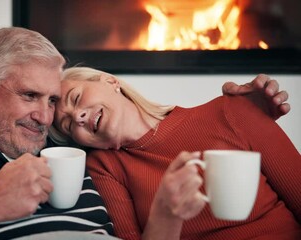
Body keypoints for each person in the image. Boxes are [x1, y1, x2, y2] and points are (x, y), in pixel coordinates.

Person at [0, 26, 292, 239]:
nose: (46, 117)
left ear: (109, 80)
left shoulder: (79, 169)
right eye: (30, 96)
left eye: (56, 101)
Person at [50, 66, 301, 240]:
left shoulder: (232, 110)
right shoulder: (104, 167)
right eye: (69, 126)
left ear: (110, 81)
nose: (78, 116)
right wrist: (166, 214)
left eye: (76, 98)